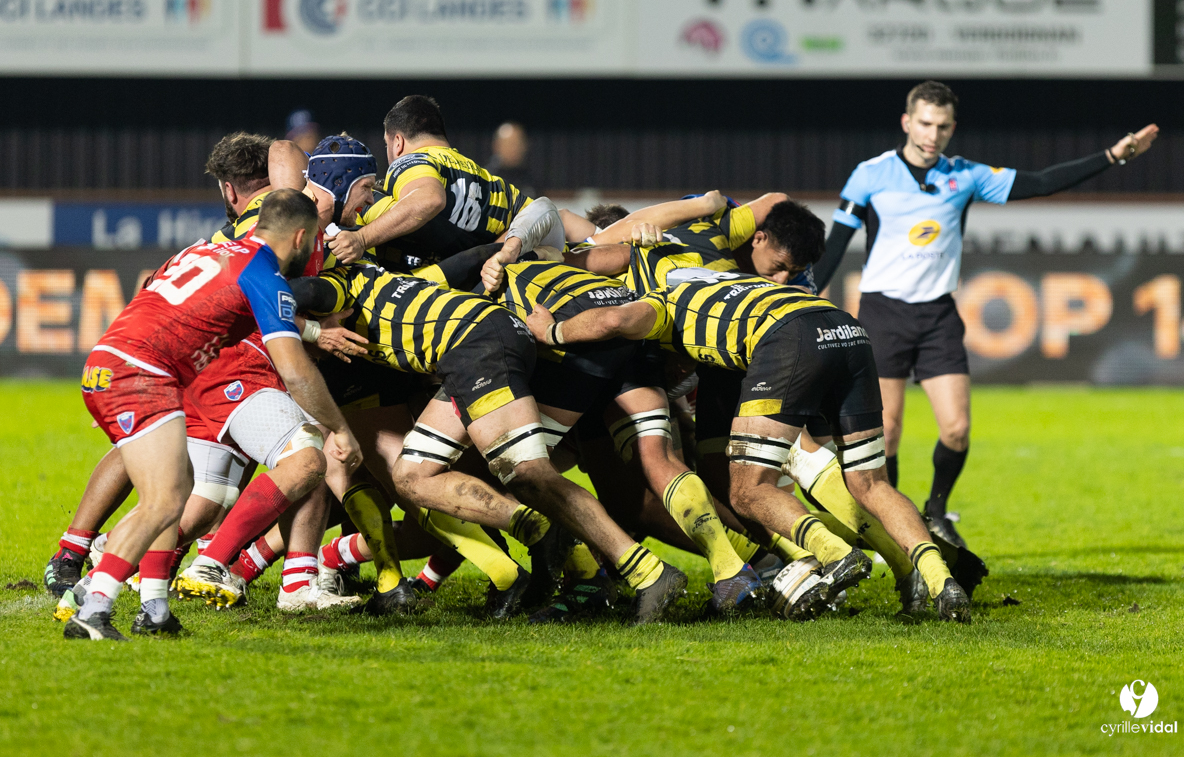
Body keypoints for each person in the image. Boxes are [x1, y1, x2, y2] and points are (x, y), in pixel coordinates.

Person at [813, 80, 1159, 548]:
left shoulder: (966, 175)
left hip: (937, 317)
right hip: (883, 314)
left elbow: (1040, 182)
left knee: (956, 428)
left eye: (942, 126)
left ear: (952, 127)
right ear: (907, 122)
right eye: (925, 124)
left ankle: (936, 510)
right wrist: (804, 294)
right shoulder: (870, 175)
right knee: (887, 431)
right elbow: (836, 244)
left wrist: (1113, 157)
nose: (932, 134)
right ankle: (892, 527)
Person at [525, 266, 974, 623]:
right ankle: (937, 581)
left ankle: (835, 554)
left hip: (788, 339)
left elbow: (615, 318)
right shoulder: (729, 281)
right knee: (871, 483)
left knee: (748, 489)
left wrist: (553, 332)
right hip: (845, 328)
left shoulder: (661, 301)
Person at [290, 261, 691, 624]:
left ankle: (648, 573)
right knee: (413, 476)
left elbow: (288, 295)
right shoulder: (384, 275)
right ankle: (542, 532)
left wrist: (307, 327)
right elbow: (477, 254)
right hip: (476, 344)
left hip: (477, 348)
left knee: (529, 475)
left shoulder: (334, 286)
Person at [66, 189, 361, 641]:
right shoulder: (263, 273)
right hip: (142, 373)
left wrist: (113, 368)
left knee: (178, 491)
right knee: (165, 500)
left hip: (123, 360)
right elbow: (294, 371)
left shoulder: (205, 248)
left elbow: (151, 295)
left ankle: (155, 609)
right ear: (301, 237)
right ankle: (93, 607)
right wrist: (339, 427)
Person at [326, 96, 532, 266]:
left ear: (398, 142)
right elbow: (544, 218)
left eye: (386, 145)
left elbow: (429, 199)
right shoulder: (491, 182)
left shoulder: (411, 161)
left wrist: (362, 239)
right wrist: (496, 254)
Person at [487, 121, 538, 198]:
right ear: (497, 146)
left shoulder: (531, 180)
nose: (515, 148)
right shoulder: (486, 179)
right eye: (510, 144)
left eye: (518, 144)